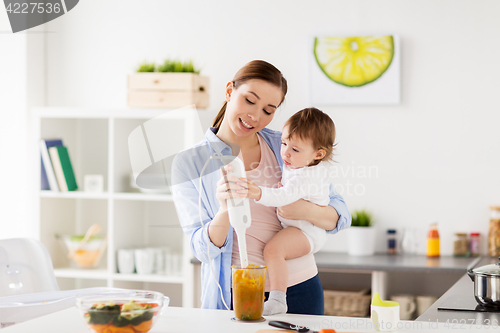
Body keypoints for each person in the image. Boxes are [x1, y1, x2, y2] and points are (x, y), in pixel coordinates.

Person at [171, 60, 351, 315]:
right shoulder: (190, 163)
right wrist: (224, 212)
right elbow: (201, 249)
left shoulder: (286, 146)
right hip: (237, 292)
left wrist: (303, 210)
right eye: (249, 100)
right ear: (229, 91)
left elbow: (341, 214)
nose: (255, 116)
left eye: (268, 110)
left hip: (299, 288)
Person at [235, 107, 336, 315]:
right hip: (301, 229)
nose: (285, 153)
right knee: (274, 250)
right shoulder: (302, 163)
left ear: (318, 154)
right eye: (283, 143)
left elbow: (284, 197)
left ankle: (279, 299)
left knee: (273, 251)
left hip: (306, 233)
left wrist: (257, 192)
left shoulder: (307, 175)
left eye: (295, 150)